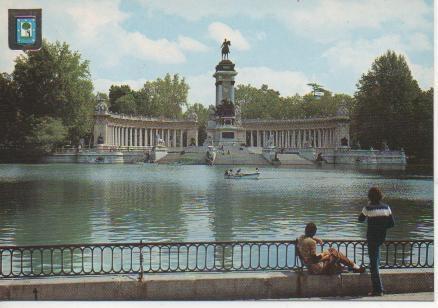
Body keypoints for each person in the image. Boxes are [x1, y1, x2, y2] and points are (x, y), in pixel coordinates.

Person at [358, 187, 395, 296]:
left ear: (369, 196)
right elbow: (392, 224)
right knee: (376, 260)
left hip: (371, 238)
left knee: (373, 263)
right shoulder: (387, 207)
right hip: (381, 237)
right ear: (380, 195)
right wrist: (382, 227)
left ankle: (378, 290)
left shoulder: (368, 208)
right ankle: (379, 289)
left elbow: (360, 219)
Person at [297, 223, 365, 275]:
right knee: (335, 254)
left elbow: (308, 239)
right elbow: (314, 260)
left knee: (332, 250)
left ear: (306, 230)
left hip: (308, 266)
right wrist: (325, 256)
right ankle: (354, 266)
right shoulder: (312, 242)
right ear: (314, 232)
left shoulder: (301, 238)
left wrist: (315, 238)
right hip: (317, 269)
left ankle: (352, 267)